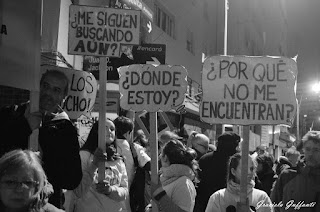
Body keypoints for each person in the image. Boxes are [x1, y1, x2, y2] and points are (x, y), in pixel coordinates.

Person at [0, 70, 82, 208]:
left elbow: (72, 179)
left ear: (64, 96)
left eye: (56, 90)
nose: (48, 94)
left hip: (45, 204)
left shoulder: (65, 129)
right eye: (45, 86)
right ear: (37, 87)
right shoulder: (10, 114)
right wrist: (25, 126)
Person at [65, 119, 128, 212]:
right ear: (96, 131)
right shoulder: (83, 155)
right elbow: (77, 191)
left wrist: (110, 190)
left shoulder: (118, 160)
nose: (109, 131)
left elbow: (125, 191)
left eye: (112, 129)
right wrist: (94, 165)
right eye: (104, 128)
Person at [205, 153, 273, 212]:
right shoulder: (218, 197)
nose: (249, 172)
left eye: (252, 169)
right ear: (233, 171)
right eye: (244, 169)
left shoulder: (262, 197)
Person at [271, 131, 320, 212]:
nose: (311, 154)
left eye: (316, 150)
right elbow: (275, 204)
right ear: (303, 150)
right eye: (308, 149)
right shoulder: (288, 176)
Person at [193, 132, 241, 212]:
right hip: (229, 205)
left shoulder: (205, 159)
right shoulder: (236, 162)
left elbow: (197, 182)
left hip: (205, 204)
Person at [114, 116, 151, 212]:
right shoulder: (135, 148)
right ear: (128, 133)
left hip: (108, 194)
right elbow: (148, 164)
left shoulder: (106, 146)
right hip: (130, 196)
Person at [152, 139, 198, 212]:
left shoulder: (183, 183)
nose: (159, 157)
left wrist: (159, 193)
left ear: (165, 157)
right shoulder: (167, 179)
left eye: (161, 154)